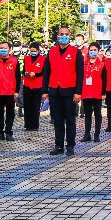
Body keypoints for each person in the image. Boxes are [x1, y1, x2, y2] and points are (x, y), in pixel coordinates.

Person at [41, 27, 84, 156]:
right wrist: (44, 91)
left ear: (69, 36)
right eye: (61, 34)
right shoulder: (52, 52)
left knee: (70, 120)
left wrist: (78, 92)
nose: (64, 36)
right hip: (55, 91)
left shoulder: (75, 52)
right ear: (57, 37)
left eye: (66, 34)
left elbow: (80, 73)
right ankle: (58, 145)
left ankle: (70, 146)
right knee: (57, 121)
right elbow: (46, 72)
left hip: (69, 91)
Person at [0, 41, 21, 142]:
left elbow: (18, 77)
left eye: (5, 48)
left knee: (10, 114)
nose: (3, 49)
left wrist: (16, 91)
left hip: (10, 92)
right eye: (1, 47)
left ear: (10, 49)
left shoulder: (14, 61)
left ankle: (9, 133)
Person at [80, 42, 105, 141]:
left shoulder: (102, 64)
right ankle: (87, 134)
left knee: (97, 114)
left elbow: (104, 79)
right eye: (91, 50)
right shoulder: (83, 64)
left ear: (98, 52)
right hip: (86, 92)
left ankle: (97, 134)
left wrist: (103, 93)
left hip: (97, 93)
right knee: (87, 115)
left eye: (95, 50)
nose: (92, 52)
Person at [21, 42, 46, 131]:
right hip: (27, 84)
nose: (32, 52)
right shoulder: (26, 58)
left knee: (35, 106)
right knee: (27, 105)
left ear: (38, 51)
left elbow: (44, 72)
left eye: (34, 51)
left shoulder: (43, 59)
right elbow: (23, 70)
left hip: (37, 85)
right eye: (31, 51)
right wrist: (26, 73)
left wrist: (35, 74)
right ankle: (27, 125)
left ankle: (35, 125)